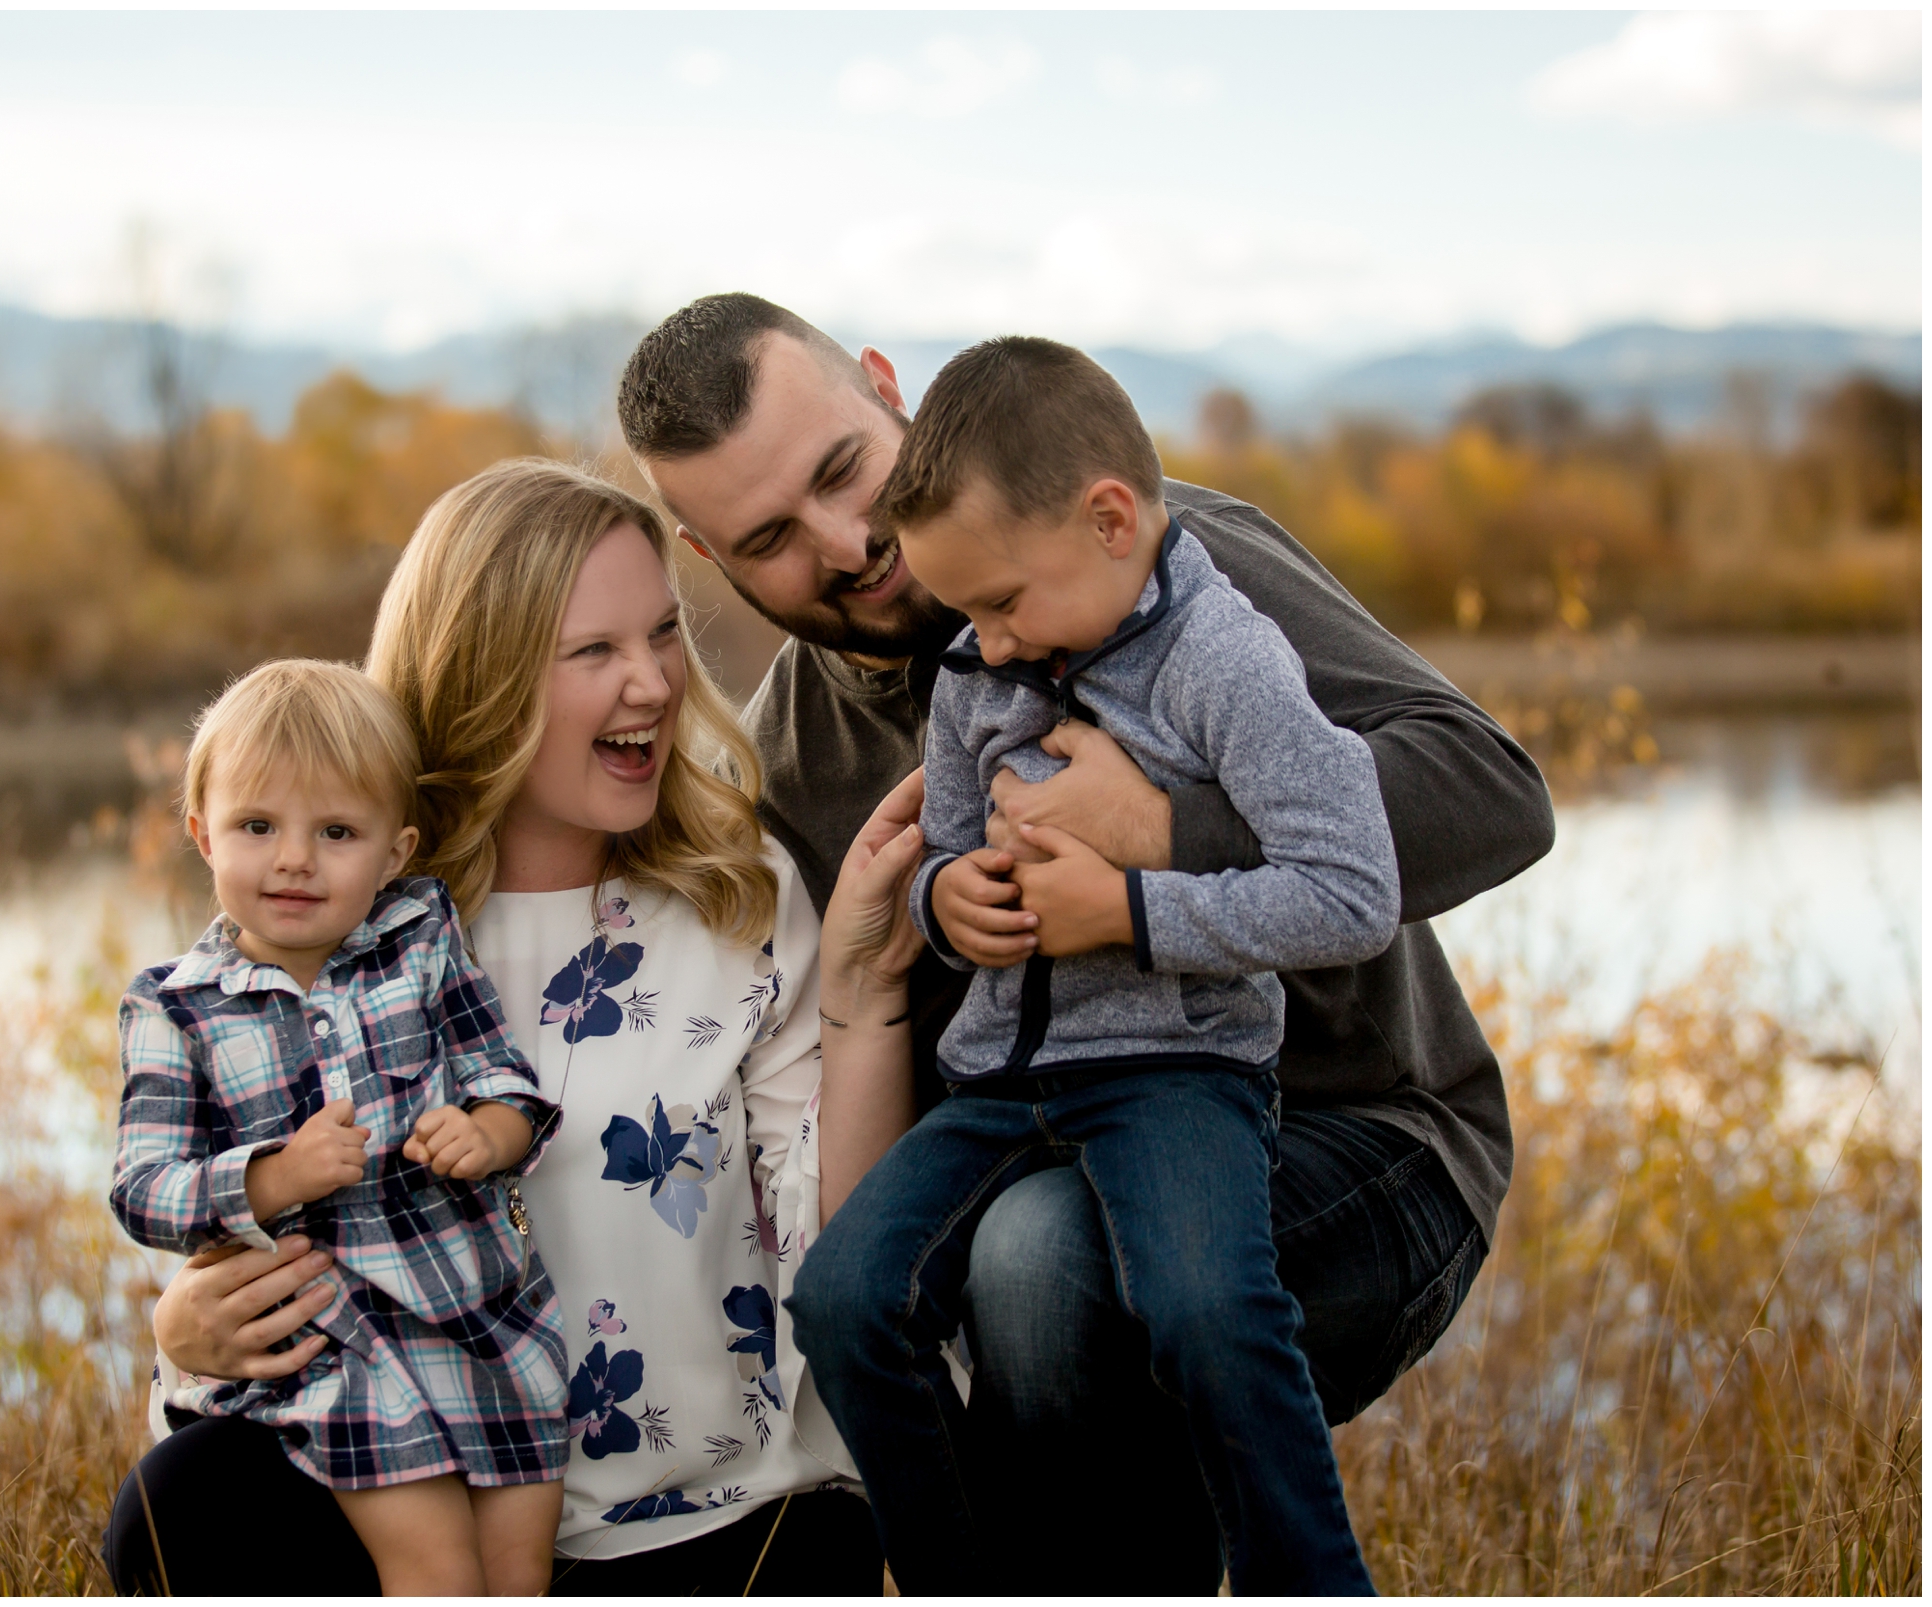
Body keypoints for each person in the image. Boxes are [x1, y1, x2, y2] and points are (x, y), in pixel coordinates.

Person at [615, 293, 1555, 1591]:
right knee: (926, 1282)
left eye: (843, 470)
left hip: (1366, 1140)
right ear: (707, 557)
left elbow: (1493, 792)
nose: (849, 541)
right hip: (1048, 1158)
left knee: (1045, 1251)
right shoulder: (787, 769)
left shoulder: (1158, 560)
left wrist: (1168, 827)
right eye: (771, 536)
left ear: (889, 388)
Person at [103, 459, 927, 1595]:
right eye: (593, 652)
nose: (652, 684)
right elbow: (234, 1195)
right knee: (181, 1499)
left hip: (702, 1520)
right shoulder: (350, 911)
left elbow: (837, 1240)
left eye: (662, 635)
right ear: (483, 674)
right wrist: (183, 1324)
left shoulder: (738, 899)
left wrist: (867, 993)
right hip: (413, 1501)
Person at [789, 335, 1397, 1592]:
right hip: (1003, 1080)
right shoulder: (971, 670)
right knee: (842, 1299)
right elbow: (947, 856)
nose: (993, 645)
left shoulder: (1226, 659)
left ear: (1111, 519)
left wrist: (1129, 906)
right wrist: (952, 900)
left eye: (1007, 602)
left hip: (1176, 1068)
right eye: (972, 615)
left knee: (1206, 1314)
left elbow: (1354, 893)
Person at [109, 658, 569, 1594]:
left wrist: (488, 1132)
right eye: (257, 825)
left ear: (395, 850)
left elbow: (503, 1074)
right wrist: (273, 1177)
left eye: (336, 831)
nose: (293, 858)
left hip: (481, 1312)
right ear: (202, 834)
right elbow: (144, 1188)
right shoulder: (175, 1005)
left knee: (520, 1571)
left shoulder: (422, 936)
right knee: (437, 1570)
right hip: (340, 1345)